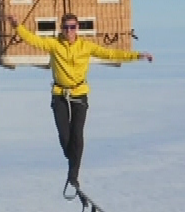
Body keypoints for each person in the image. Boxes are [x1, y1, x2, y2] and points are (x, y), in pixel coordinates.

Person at [8, 12, 153, 189]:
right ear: (61, 28)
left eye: (73, 27)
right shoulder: (54, 44)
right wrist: (17, 26)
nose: (69, 31)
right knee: (65, 137)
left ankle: (73, 174)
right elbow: (32, 39)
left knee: (77, 134)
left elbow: (110, 54)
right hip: (60, 94)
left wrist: (138, 56)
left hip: (79, 93)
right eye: (66, 27)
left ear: (77, 28)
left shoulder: (86, 46)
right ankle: (72, 157)